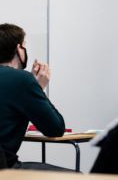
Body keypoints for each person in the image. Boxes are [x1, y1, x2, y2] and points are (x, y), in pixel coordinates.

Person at [0, 23, 70, 171]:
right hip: (5, 170)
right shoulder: (22, 80)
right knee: (79, 177)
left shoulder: (21, 81)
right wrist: (37, 87)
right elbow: (55, 129)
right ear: (19, 49)